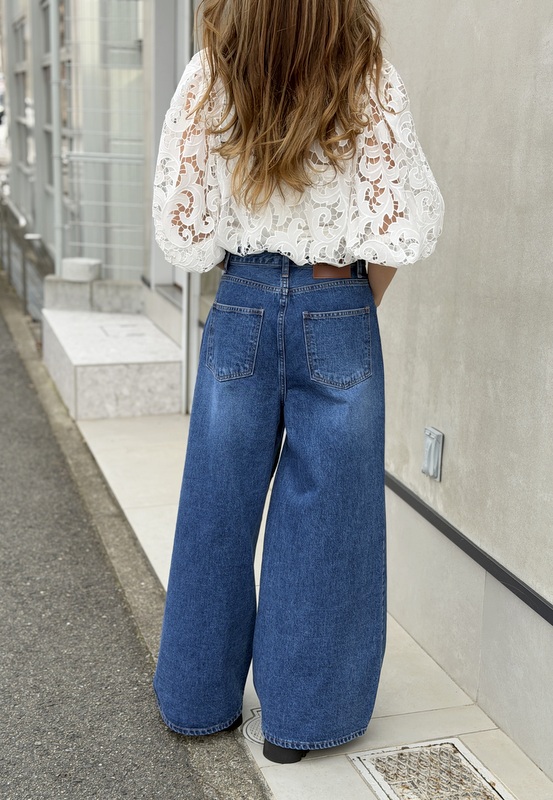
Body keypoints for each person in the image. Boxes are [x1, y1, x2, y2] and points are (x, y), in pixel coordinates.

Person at [151, 0, 444, 765]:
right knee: (328, 520)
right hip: (336, 298)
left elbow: (185, 227)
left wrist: (252, 280)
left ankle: (196, 703)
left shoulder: (212, 74)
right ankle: (298, 724)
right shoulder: (366, 75)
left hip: (241, 299)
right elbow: (397, 224)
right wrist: (342, 304)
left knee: (214, 508)